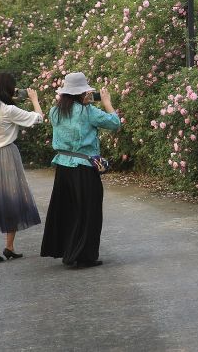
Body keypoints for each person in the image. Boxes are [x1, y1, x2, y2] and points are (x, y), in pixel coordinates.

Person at [41, 72, 120, 268]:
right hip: (84, 168)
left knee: (68, 210)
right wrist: (108, 103)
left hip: (63, 167)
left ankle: (68, 250)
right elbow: (114, 123)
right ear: (81, 93)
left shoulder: (54, 112)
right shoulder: (88, 112)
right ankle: (84, 255)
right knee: (88, 211)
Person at [0, 72, 44, 264]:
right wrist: (34, 99)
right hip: (6, 155)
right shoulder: (9, 110)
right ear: (10, 89)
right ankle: (9, 246)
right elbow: (38, 118)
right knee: (11, 197)